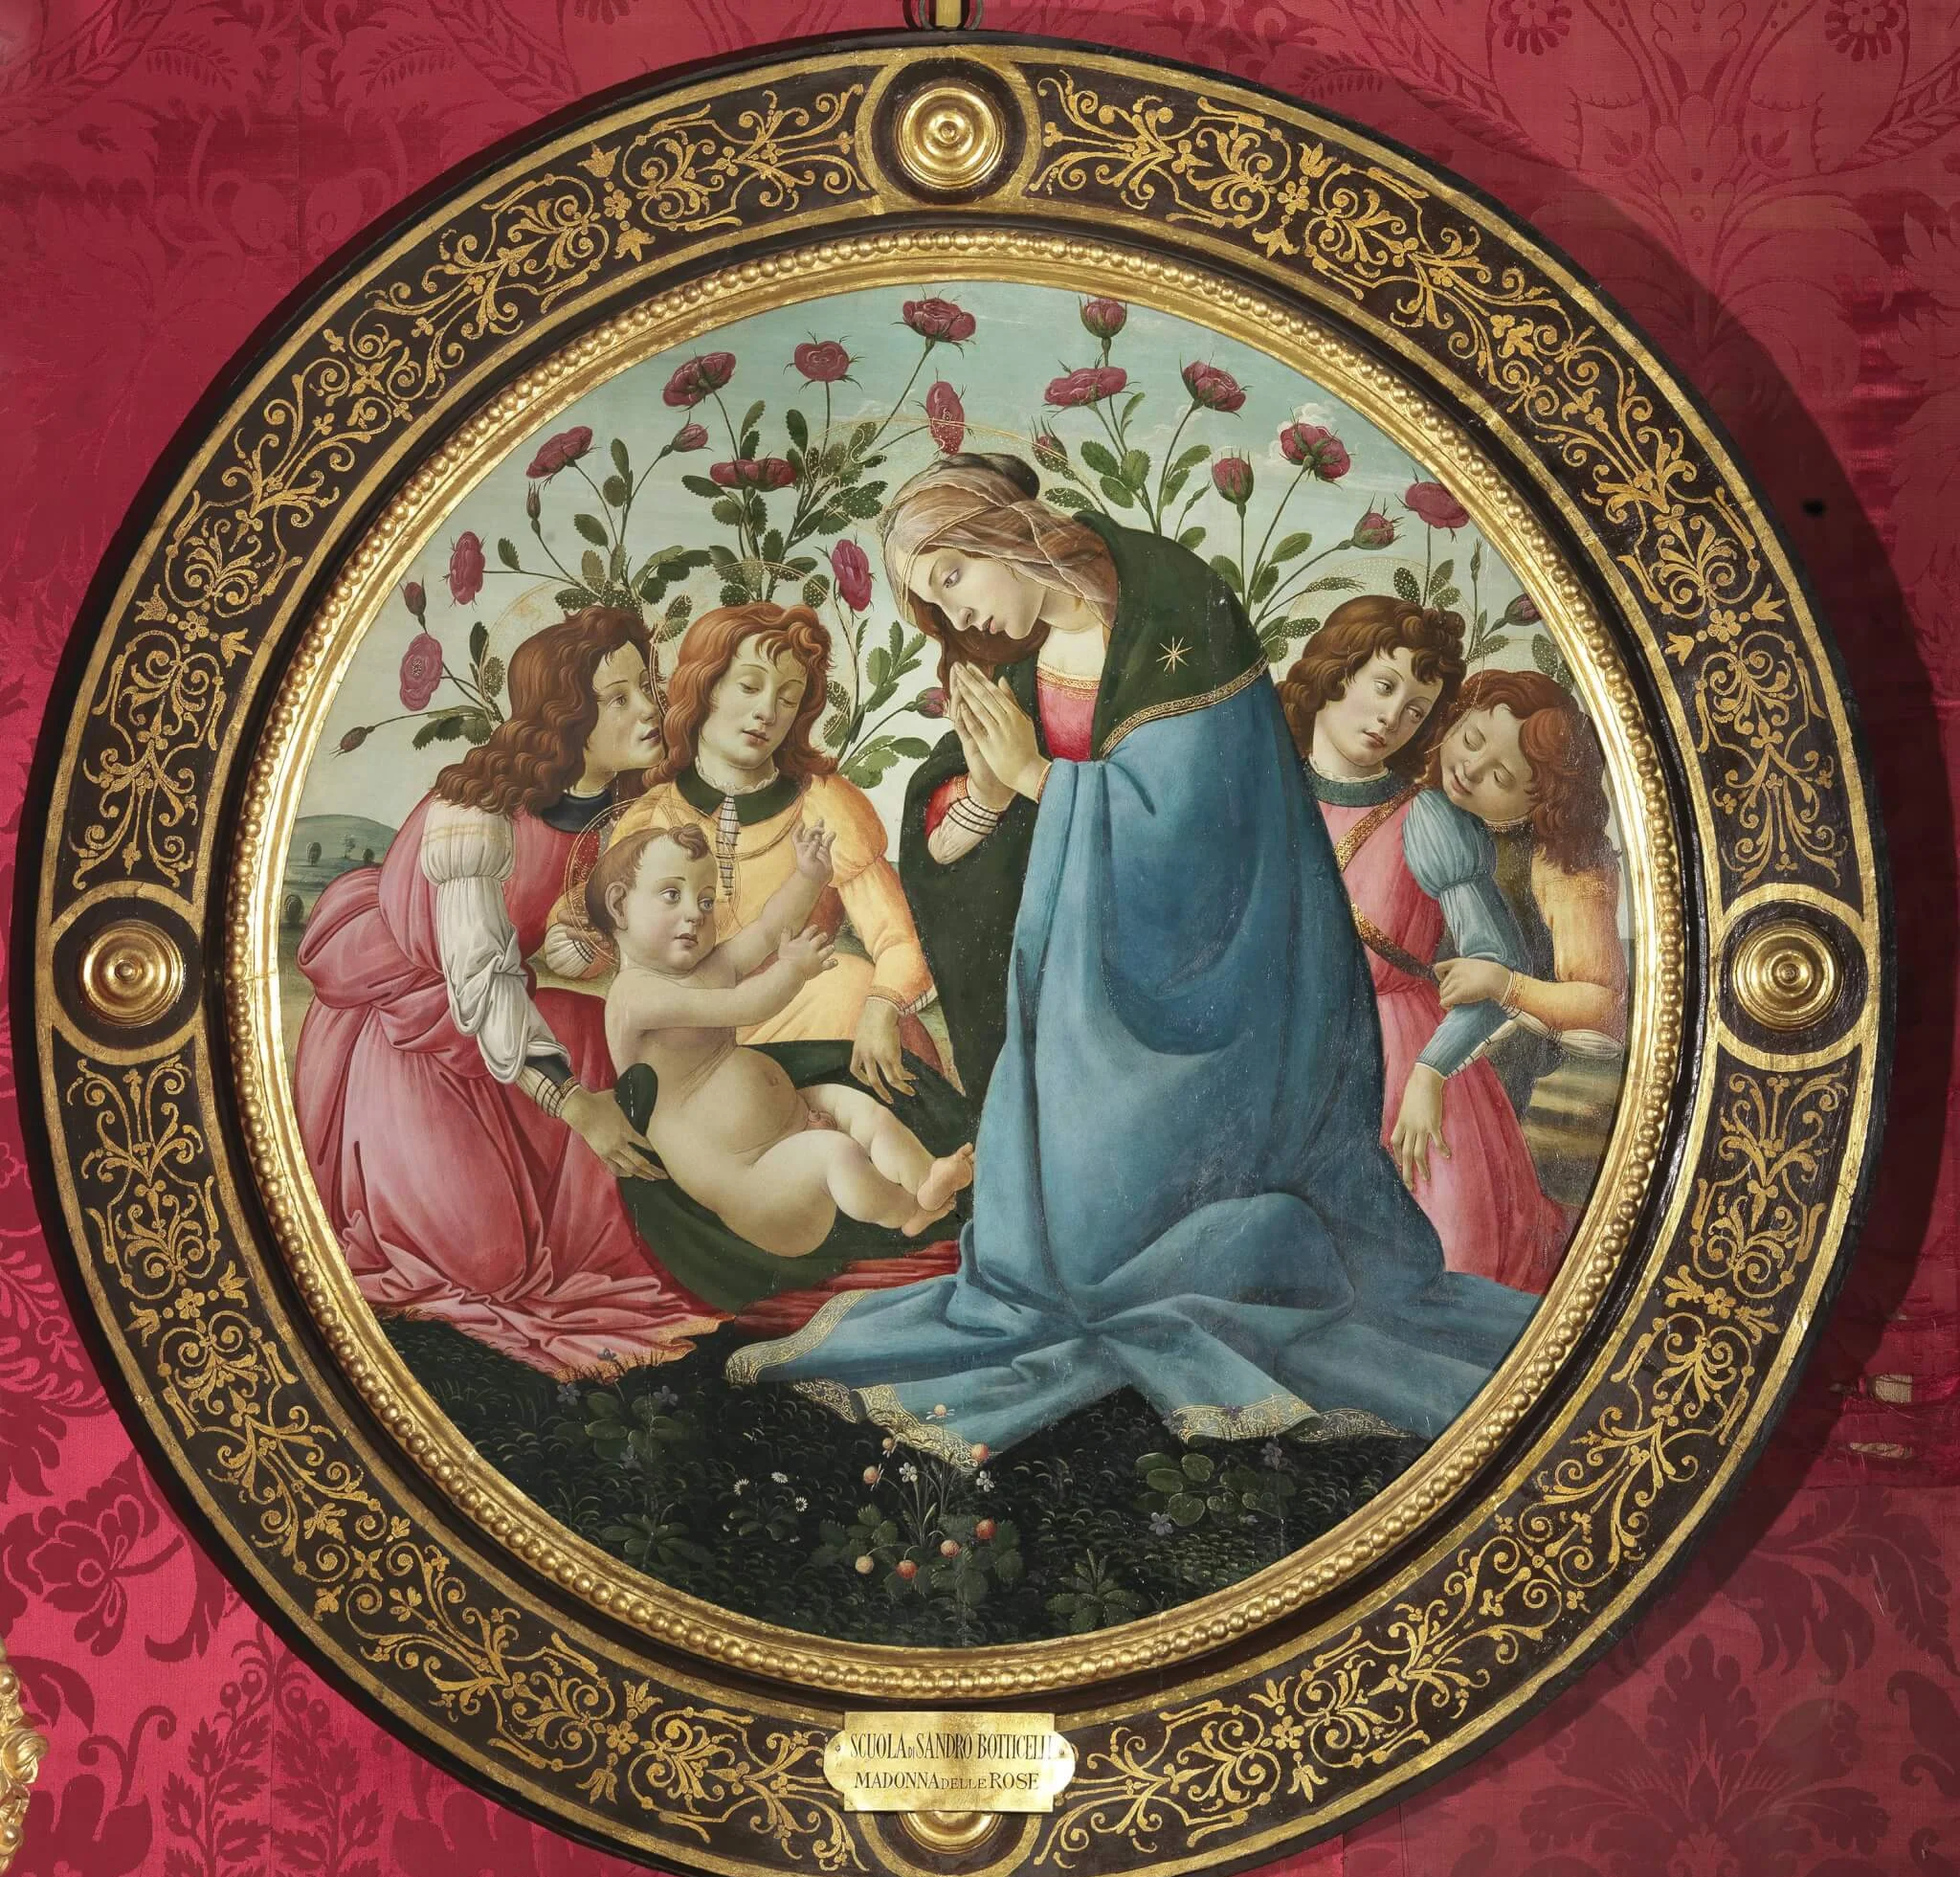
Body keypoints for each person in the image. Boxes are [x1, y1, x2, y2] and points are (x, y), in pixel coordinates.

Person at [727, 454, 1540, 1464]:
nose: (954, 614)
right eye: (931, 601)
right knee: (1056, 1228)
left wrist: (1040, 780)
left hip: (1214, 995)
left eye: (950, 577)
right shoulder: (1010, 659)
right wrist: (991, 792)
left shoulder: (1172, 610)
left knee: (1156, 1231)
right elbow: (957, 827)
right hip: (1076, 979)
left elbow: (1199, 835)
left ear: (997, 531)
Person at [292, 606, 719, 1375]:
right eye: (618, 699)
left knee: (617, 1052)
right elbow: (480, 976)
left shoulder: (620, 810)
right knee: (488, 1263)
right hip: (408, 1031)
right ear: (567, 717)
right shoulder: (475, 815)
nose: (648, 710)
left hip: (500, 1021)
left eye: (645, 689)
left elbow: (560, 941)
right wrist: (574, 1105)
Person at [1278, 599, 1569, 1292]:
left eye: (1416, 710)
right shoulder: (1266, 787)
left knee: (1445, 1263)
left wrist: (1429, 1076)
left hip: (1401, 1060)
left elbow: (1496, 971)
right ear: (1337, 673)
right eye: (1384, 687)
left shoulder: (1426, 817)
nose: (1392, 718)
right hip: (1280, 1049)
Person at [546, 602, 938, 1100]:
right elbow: (599, 928)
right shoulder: (652, 815)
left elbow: (899, 939)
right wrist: (576, 940)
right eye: (750, 687)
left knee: (851, 984)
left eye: (788, 699)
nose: (768, 713)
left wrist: (882, 1007)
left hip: (799, 1010)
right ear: (705, 686)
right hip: (689, 1033)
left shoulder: (824, 803)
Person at [591, 818, 974, 1255]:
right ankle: (908, 1213)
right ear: (619, 906)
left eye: (706, 900)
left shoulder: (707, 967)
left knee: (860, 1108)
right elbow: (742, 1006)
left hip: (792, 1124)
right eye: (671, 895)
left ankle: (927, 1180)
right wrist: (792, 971)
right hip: (755, 1187)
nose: (696, 913)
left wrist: (808, 877)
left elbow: (769, 929)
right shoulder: (634, 995)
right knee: (836, 1153)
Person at [1427, 668, 1630, 1208]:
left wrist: (1502, 983)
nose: (1470, 769)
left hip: (1483, 1058)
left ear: (1541, 803)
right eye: (1471, 739)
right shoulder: (1423, 802)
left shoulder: (1563, 862)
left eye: (1501, 778)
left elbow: (1603, 1005)